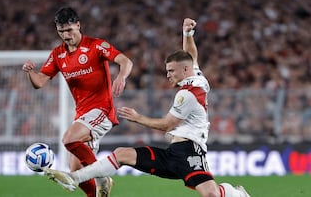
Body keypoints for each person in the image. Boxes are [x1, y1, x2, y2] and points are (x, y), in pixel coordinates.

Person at [43, 18, 250, 197]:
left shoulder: (186, 95)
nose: (168, 75)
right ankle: (74, 177)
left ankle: (234, 193)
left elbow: (167, 125)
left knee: (212, 194)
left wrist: (137, 117)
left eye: (171, 71)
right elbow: (191, 56)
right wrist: (188, 33)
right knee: (122, 153)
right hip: (172, 153)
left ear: (184, 70)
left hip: (191, 152)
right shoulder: (197, 77)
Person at [22, 7, 133, 197]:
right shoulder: (58, 54)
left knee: (68, 139)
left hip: (102, 110)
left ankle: (102, 177)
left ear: (78, 25)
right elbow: (39, 82)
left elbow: (125, 61)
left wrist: (121, 77)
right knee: (75, 170)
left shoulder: (96, 46)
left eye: (69, 30)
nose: (66, 35)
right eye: (61, 31)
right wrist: (30, 72)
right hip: (82, 115)